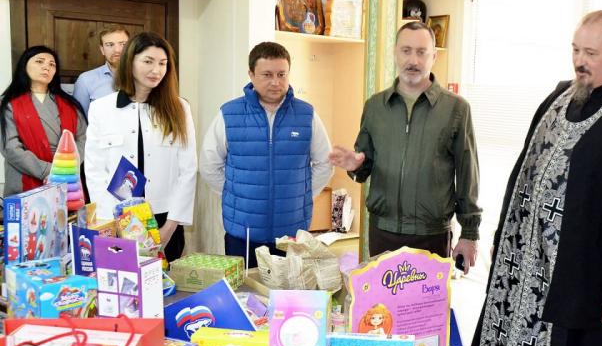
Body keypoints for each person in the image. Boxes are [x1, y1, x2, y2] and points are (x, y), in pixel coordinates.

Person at [470, 10, 602, 346]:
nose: (580, 61)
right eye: (575, 50)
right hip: (518, 266)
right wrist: (502, 235)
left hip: (574, 280)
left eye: (591, 53)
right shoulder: (561, 94)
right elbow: (523, 168)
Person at [328, 21, 481, 269]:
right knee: (381, 297)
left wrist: (470, 233)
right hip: (383, 233)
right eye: (406, 51)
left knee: (428, 297)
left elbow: (468, 175)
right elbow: (364, 167)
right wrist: (355, 165)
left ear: (433, 57)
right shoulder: (375, 106)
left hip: (431, 235)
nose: (413, 60)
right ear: (395, 53)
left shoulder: (456, 109)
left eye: (422, 52)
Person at [199, 41, 333, 265]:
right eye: (267, 75)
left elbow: (325, 163)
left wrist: (303, 195)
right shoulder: (229, 114)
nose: (275, 82)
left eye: (282, 74)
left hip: (291, 235)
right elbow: (209, 165)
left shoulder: (306, 114)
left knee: (289, 287)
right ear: (251, 75)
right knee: (245, 286)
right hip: (243, 233)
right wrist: (235, 194)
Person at [84, 31, 196, 262]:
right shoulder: (102, 109)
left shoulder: (180, 108)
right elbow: (94, 171)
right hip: (117, 217)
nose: (156, 70)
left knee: (166, 281)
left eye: (163, 63)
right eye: (148, 61)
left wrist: (170, 226)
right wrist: (111, 223)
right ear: (130, 62)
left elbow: (188, 170)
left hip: (165, 219)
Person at [0, 46, 86, 196]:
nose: (47, 67)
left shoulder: (70, 104)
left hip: (66, 178)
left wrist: (66, 169)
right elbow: (11, 147)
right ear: (24, 65)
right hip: (25, 178)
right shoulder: (8, 103)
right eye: (39, 61)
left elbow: (83, 138)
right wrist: (48, 171)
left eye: (52, 64)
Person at [73, 26, 130, 115]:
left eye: (123, 44)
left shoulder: (143, 78)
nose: (117, 50)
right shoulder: (85, 80)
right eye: (110, 45)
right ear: (102, 49)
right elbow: (80, 119)